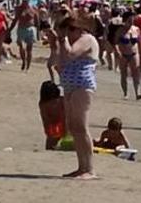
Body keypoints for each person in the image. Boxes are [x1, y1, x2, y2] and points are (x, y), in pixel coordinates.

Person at [57, 10, 100, 179]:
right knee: (73, 127)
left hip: (82, 85)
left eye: (70, 30)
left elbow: (71, 54)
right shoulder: (71, 41)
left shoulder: (87, 39)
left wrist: (63, 40)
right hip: (69, 86)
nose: (68, 33)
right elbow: (62, 61)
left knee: (82, 127)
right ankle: (81, 166)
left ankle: (89, 168)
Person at [115, 11, 141, 100]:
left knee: (136, 73)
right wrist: (118, 51)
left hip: (134, 53)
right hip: (124, 54)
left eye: (132, 20)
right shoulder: (120, 30)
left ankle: (137, 92)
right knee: (124, 74)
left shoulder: (136, 29)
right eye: (129, 20)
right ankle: (125, 93)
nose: (131, 22)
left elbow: (140, 43)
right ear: (125, 20)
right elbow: (115, 42)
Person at [9, 0, 38, 71]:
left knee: (29, 49)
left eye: (26, 1)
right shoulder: (19, 9)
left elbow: (37, 20)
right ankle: (23, 61)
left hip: (30, 28)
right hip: (21, 28)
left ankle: (28, 66)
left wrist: (38, 33)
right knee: (21, 46)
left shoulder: (33, 8)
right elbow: (15, 20)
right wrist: (10, 29)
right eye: (24, 1)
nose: (25, 2)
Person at [39, 80, 66, 150]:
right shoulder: (61, 100)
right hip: (60, 120)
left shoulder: (43, 104)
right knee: (53, 137)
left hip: (57, 121)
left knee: (51, 139)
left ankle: (49, 148)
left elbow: (45, 120)